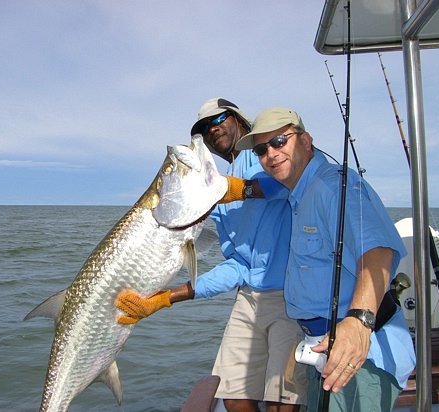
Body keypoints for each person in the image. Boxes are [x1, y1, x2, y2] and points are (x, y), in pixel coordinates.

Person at [115, 98, 307, 412]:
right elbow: (236, 265)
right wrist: (165, 297)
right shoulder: (218, 198)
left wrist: (228, 188)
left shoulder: (260, 156)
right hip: (250, 296)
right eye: (205, 128)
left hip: (290, 297)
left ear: (240, 121)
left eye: (218, 119)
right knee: (232, 394)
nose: (212, 129)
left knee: (281, 401)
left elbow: (282, 184)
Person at [234, 107, 416, 411]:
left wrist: (359, 322)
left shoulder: (333, 186)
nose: (271, 154)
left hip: (358, 358)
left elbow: (378, 252)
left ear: (306, 141)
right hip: (323, 351)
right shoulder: (300, 193)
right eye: (261, 149)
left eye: (279, 141)